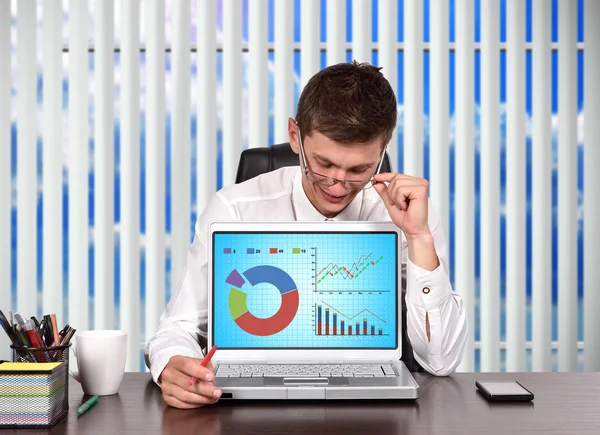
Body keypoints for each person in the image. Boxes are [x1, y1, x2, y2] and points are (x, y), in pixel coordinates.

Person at [146, 61, 468, 409]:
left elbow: (440, 360)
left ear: (383, 148)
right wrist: (172, 366)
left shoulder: (409, 214)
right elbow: (177, 327)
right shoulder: (234, 209)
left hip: (371, 411)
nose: (338, 183)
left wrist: (418, 236)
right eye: (324, 164)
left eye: (359, 169)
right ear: (295, 136)